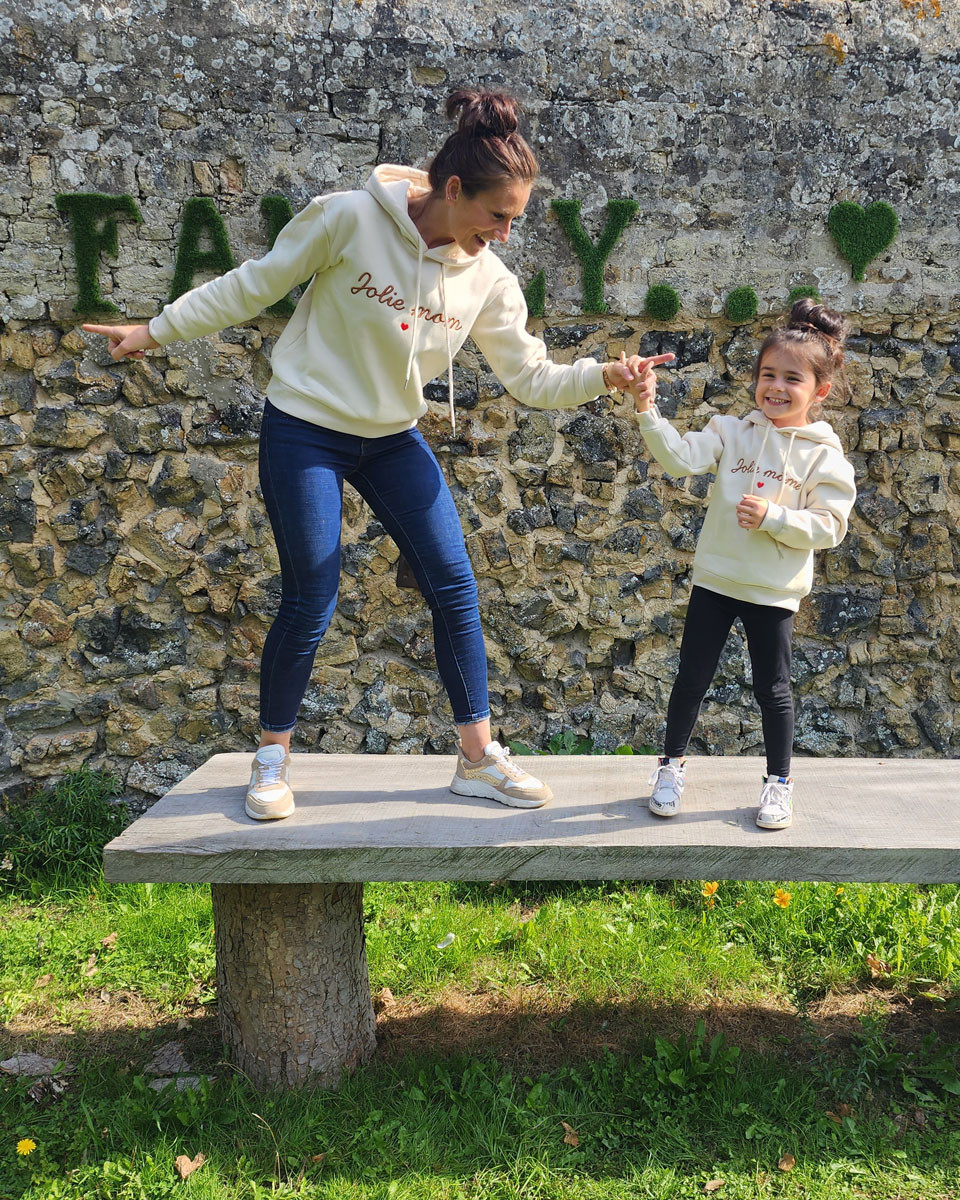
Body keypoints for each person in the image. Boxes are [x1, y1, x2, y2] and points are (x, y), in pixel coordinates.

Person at [83, 87, 665, 821]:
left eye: (515, 220)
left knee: (453, 581)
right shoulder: (348, 217)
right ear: (454, 190)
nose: (508, 234)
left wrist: (604, 376)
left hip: (391, 436)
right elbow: (254, 284)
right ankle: (271, 759)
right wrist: (156, 330)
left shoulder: (486, 278)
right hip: (306, 426)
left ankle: (477, 759)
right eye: (498, 216)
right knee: (312, 592)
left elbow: (531, 376)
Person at [624, 299, 857, 829]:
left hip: (773, 591)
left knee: (773, 690)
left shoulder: (824, 454)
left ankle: (779, 783)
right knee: (691, 680)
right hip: (717, 578)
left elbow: (831, 526)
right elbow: (680, 458)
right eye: (767, 374)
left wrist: (776, 517)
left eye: (791, 378)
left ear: (819, 390)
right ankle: (670, 768)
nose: (775, 386)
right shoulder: (731, 431)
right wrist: (646, 409)